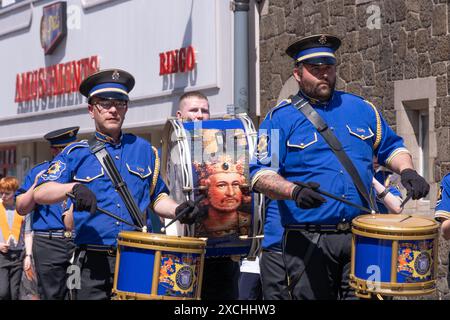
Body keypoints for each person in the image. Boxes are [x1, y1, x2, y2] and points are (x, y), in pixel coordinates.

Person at [250, 34, 430, 300]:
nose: (324, 75)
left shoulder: (362, 109)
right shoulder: (279, 119)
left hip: (363, 237)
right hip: (308, 240)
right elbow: (259, 175)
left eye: (328, 68)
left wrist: (408, 170)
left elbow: (392, 147)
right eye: (315, 70)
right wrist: (293, 191)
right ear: (298, 74)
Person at [33, 69, 198, 300]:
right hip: (91, 262)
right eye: (104, 103)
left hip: (136, 257)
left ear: (126, 108)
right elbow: (41, 192)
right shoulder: (75, 153)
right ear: (91, 110)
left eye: (119, 103)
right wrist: (72, 188)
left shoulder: (144, 150)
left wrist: (178, 209)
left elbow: (157, 197)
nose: (112, 109)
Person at [173, 91, 241, 300]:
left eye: (204, 110)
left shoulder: (226, 150)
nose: (200, 115)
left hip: (221, 253)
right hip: (183, 253)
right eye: (194, 110)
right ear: (179, 116)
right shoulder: (170, 152)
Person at [16, 127, 79, 300]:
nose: (68, 155)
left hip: (77, 243)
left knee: (76, 291)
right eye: (62, 150)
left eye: (71, 149)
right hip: (49, 243)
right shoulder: (39, 172)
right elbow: (21, 208)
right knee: (51, 294)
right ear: (53, 150)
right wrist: (35, 186)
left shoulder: (84, 172)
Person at [194, 156, 251, 238]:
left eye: (235, 184)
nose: (230, 193)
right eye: (222, 185)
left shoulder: (254, 222)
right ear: (206, 191)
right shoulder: (195, 226)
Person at [0, 177, 26, 300]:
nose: (3, 196)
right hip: (2, 255)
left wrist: (28, 255)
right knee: (3, 292)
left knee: (14, 292)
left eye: (7, 193)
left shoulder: (21, 208)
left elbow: (27, 232)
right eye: (1, 193)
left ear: (15, 192)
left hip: (18, 254)